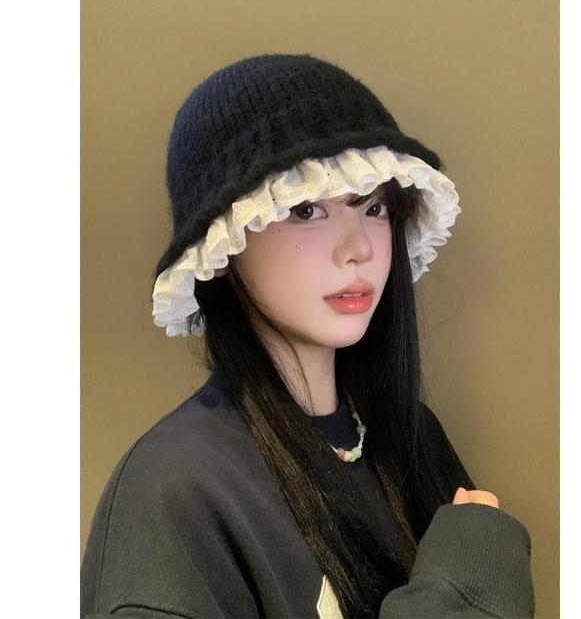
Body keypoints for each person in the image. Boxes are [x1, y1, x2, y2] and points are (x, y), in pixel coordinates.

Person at [81, 53, 535, 618]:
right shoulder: (172, 490)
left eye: (374, 208)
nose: (358, 249)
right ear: (223, 247)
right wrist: (467, 585)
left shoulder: (412, 434)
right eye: (304, 210)